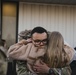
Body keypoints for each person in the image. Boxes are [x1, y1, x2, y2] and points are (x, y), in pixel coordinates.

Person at [7, 27, 72, 75]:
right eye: (37, 41)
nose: (41, 43)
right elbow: (21, 72)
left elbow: (68, 71)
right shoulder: (24, 50)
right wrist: (24, 42)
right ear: (31, 40)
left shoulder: (56, 50)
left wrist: (49, 70)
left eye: (44, 40)